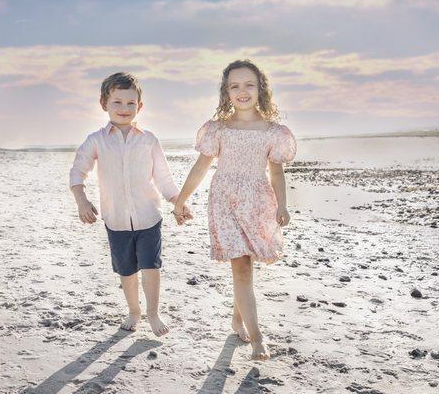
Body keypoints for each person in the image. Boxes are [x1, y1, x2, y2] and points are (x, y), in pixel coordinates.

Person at [173, 60, 297, 359]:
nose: (242, 91)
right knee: (240, 266)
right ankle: (257, 339)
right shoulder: (219, 129)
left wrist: (282, 205)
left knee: (247, 266)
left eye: (249, 84)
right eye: (235, 86)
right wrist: (181, 199)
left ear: (261, 89)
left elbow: (276, 172)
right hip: (224, 200)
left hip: (257, 200)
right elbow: (201, 166)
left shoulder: (273, 131)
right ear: (226, 92)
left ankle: (237, 317)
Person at [69, 72, 191, 336]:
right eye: (117, 102)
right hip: (116, 219)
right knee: (126, 271)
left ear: (140, 106)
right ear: (104, 103)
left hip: (149, 217)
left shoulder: (148, 140)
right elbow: (78, 172)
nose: (124, 108)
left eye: (130, 103)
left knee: (151, 266)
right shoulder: (96, 140)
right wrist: (82, 201)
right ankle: (134, 310)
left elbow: (164, 178)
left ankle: (153, 313)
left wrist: (178, 203)